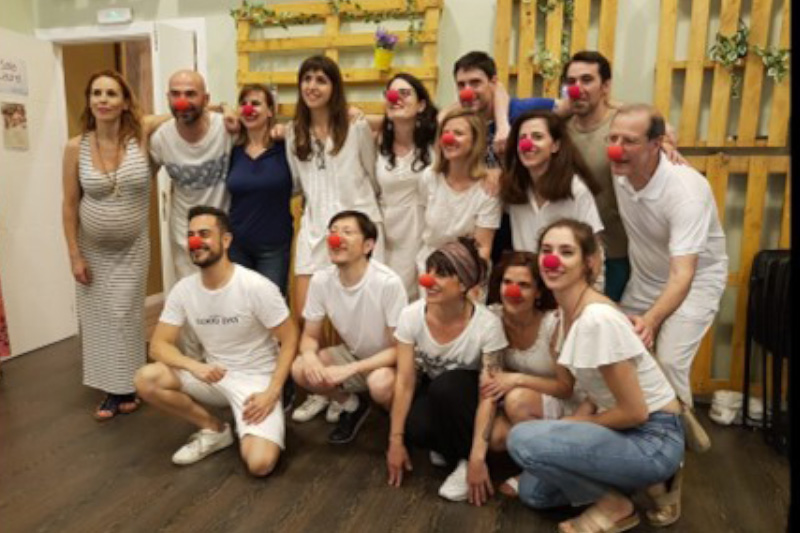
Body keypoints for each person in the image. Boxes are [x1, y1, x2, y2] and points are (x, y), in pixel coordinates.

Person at [507, 218, 685, 531]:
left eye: (566, 252)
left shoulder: (596, 319)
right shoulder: (566, 315)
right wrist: (576, 421)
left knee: (521, 439)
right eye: (546, 251)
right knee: (533, 493)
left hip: (653, 437)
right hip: (623, 432)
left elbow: (636, 412)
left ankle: (618, 502)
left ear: (588, 262)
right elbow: (595, 387)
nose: (552, 260)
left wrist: (575, 424)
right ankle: (628, 483)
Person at [134, 206, 298, 476]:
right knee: (146, 378)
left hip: (255, 381)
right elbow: (159, 345)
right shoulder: (183, 290)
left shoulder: (256, 286)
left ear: (226, 240)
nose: (195, 242)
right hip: (212, 375)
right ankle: (215, 428)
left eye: (204, 234)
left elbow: (290, 339)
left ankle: (255, 423)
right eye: (191, 235)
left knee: (260, 464)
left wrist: (272, 392)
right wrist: (194, 366)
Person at [608, 104, 728, 407]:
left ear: (656, 144)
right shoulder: (621, 168)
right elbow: (601, 107)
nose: (616, 149)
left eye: (629, 141)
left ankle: (676, 435)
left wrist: (650, 321)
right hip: (645, 280)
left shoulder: (686, 191)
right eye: (613, 138)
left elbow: (682, 274)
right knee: (616, 349)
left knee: (670, 362)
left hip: (694, 283)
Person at [62, 69, 164, 420]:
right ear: (89, 101)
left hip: (132, 248)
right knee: (99, 319)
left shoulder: (141, 135)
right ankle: (114, 389)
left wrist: (217, 110)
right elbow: (69, 205)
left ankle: (127, 383)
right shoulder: (75, 147)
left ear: (124, 102)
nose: (103, 100)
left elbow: (176, 115)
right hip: (92, 250)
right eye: (96, 93)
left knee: (125, 315)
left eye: (111, 93)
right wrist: (74, 255)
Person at [387, 237, 508, 506]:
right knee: (415, 426)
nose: (428, 280)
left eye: (441, 274)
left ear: (463, 284)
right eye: (428, 271)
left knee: (447, 386)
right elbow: (405, 380)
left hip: (469, 397)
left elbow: (489, 394)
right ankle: (449, 447)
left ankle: (464, 460)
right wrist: (395, 441)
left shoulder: (488, 325)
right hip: (437, 393)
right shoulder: (411, 315)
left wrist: (476, 458)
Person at [561, 51, 686, 301]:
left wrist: (664, 144)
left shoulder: (623, 128)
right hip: (571, 253)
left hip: (618, 253)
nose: (577, 88)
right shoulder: (558, 131)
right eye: (571, 81)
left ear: (605, 86)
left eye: (587, 80)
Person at [290, 210, 407, 443]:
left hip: (390, 362)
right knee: (300, 368)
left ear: (368, 245)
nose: (336, 238)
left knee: (380, 384)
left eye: (347, 232)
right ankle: (351, 405)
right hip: (354, 355)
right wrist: (310, 358)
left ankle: (398, 425)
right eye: (333, 232)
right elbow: (310, 336)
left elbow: (400, 350)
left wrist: (350, 369)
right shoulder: (321, 280)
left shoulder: (387, 283)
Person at [285, 55, 383, 320]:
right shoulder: (293, 132)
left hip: (358, 226)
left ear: (334, 87)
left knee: (363, 313)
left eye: (321, 80)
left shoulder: (355, 125)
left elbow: (373, 175)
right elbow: (297, 182)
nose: (312, 86)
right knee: (306, 313)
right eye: (307, 79)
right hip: (315, 228)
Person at [481, 252, 579, 456]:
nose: (513, 291)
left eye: (524, 285)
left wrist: (517, 379)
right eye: (507, 282)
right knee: (496, 437)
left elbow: (566, 388)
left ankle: (545, 462)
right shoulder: (491, 318)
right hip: (519, 402)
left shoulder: (552, 325)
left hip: (560, 401)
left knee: (516, 400)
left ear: (538, 292)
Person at [500, 109, 604, 253]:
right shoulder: (513, 187)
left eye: (537, 137)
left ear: (555, 145)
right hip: (525, 266)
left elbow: (595, 248)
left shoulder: (575, 189)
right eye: (522, 138)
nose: (527, 144)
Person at [417, 108, 501, 281]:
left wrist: (470, 285)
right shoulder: (429, 177)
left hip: (467, 273)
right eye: (445, 133)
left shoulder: (488, 188)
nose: (449, 138)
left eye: (458, 133)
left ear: (475, 141)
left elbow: (483, 247)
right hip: (430, 268)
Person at [376, 73, 439, 300]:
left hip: (423, 231)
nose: (396, 99)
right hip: (388, 234)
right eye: (392, 94)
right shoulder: (377, 141)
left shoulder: (436, 140)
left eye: (405, 94)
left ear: (421, 104)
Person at [226, 83, 293, 297]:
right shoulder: (233, 150)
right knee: (240, 306)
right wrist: (224, 107)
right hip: (237, 244)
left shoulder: (285, 147)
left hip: (274, 247)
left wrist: (287, 131)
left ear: (270, 111)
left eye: (255, 103)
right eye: (243, 104)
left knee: (270, 304)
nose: (248, 109)